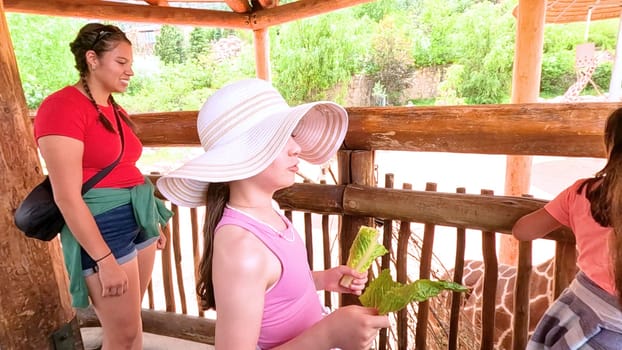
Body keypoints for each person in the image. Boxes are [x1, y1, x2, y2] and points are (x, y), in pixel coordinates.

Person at [157, 78, 389, 349]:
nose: (297, 147)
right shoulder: (241, 248)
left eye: (291, 134)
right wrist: (328, 333)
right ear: (243, 155)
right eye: (281, 138)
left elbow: (271, 288)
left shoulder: (269, 213)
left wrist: (321, 279)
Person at [34, 23, 172, 350]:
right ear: (92, 59)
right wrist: (104, 260)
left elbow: (126, 169)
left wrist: (150, 218)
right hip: (101, 223)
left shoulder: (114, 108)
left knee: (129, 328)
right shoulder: (61, 107)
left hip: (137, 216)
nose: (130, 71)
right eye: (121, 62)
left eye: (130, 63)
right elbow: (67, 196)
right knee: (123, 335)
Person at [512, 107, 622, 349]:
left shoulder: (582, 191)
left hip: (577, 318)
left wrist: (577, 219)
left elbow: (523, 231)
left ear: (610, 145)